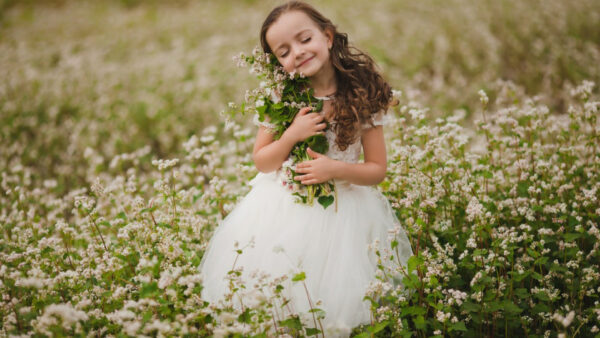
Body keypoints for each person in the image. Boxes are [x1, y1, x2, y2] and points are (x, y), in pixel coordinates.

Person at [199, 1, 412, 336]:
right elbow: (262, 161)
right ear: (278, 63)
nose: (296, 53)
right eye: (283, 51)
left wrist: (334, 170)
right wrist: (291, 136)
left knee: (334, 300)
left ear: (327, 36)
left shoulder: (362, 94)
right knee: (278, 295)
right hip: (281, 208)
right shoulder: (280, 95)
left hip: (344, 210)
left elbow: (376, 170)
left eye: (304, 39)